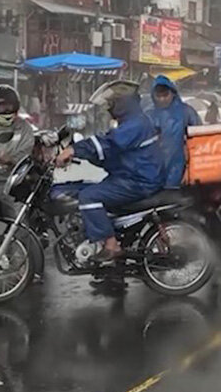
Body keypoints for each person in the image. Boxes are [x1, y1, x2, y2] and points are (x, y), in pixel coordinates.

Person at [54, 81, 166, 263]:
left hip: (139, 181)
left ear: (122, 104)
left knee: (89, 197)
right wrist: (83, 154)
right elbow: (110, 154)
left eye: (111, 104)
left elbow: (110, 144)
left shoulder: (135, 124)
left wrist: (75, 150)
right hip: (132, 176)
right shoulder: (132, 121)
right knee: (82, 187)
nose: (108, 109)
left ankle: (111, 245)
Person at [146, 74, 201, 189]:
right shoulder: (148, 114)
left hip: (180, 163)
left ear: (173, 93)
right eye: (158, 96)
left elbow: (199, 137)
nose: (162, 99)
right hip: (154, 165)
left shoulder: (186, 112)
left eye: (165, 95)